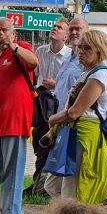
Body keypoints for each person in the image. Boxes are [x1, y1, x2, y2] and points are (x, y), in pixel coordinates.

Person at [43, 29, 107, 205]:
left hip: (82, 138)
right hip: (72, 134)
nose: (81, 52)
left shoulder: (100, 75)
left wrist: (53, 120)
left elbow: (75, 111)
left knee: (72, 192)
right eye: (80, 47)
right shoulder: (88, 73)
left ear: (99, 51)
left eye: (87, 48)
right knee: (53, 185)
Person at [0, 17, 38, 214]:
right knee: (3, 171)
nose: (0, 34)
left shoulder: (19, 48)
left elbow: (33, 62)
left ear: (13, 33)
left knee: (12, 170)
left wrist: (13, 47)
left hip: (14, 121)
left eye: (4, 30)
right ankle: (11, 209)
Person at [30, 19, 71, 194]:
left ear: (66, 36)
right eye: (53, 26)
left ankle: (48, 186)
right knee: (39, 140)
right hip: (41, 103)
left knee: (55, 143)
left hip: (59, 105)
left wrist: (56, 84)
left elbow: (72, 83)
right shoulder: (41, 51)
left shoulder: (70, 55)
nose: (54, 29)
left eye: (59, 28)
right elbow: (35, 75)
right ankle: (37, 183)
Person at [53, 17, 90, 105]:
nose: (73, 32)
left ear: (87, 32)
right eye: (71, 29)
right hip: (58, 115)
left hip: (71, 116)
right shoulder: (67, 60)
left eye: (78, 29)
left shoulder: (89, 60)